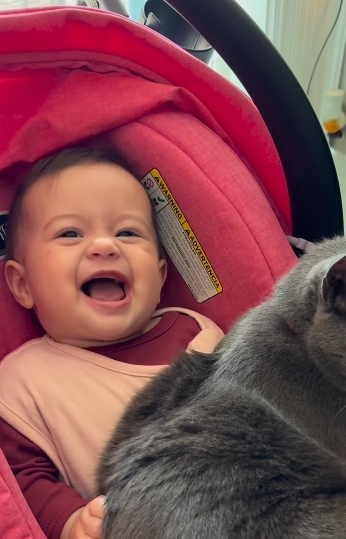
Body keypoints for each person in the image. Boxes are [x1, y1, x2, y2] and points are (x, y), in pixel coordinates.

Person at [0, 148, 224, 539]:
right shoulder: (19, 384)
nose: (105, 246)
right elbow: (19, 480)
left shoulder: (197, 335)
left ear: (160, 276)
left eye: (127, 233)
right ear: (23, 284)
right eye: (70, 233)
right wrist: (70, 520)